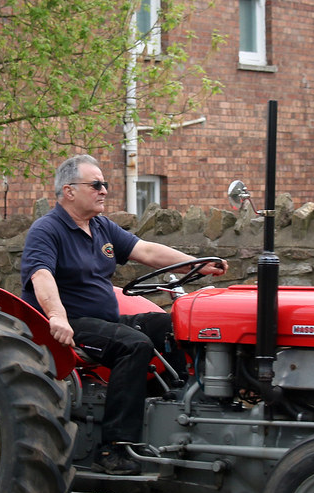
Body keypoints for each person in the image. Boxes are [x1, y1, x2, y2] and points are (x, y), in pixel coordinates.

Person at [21, 154, 226, 475]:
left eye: (105, 185)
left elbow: (146, 251)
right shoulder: (47, 230)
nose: (104, 190)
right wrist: (57, 317)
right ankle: (114, 448)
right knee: (134, 345)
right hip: (71, 325)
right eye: (96, 185)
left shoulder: (101, 227)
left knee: (172, 326)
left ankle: (178, 411)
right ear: (69, 191)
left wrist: (197, 263)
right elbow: (41, 275)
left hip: (106, 320)